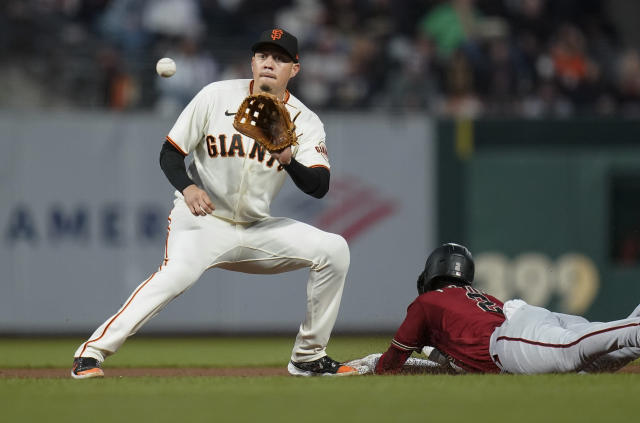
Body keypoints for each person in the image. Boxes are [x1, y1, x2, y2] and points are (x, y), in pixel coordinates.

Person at [71, 28, 357, 378]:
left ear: (294, 70)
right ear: (252, 62)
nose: (270, 63)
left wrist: (287, 159)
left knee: (334, 249)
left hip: (256, 228)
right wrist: (188, 188)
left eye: (280, 58)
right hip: (203, 222)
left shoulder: (306, 121)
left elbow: (319, 186)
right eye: (263, 56)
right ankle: (90, 353)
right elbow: (170, 153)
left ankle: (308, 356)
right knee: (174, 276)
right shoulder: (216, 95)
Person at [348, 243, 640, 375]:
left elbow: (392, 363)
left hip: (508, 339)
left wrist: (368, 364)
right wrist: (429, 353)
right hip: (531, 321)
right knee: (608, 358)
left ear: (431, 273)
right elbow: (453, 362)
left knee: (572, 352)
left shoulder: (427, 302)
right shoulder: (472, 298)